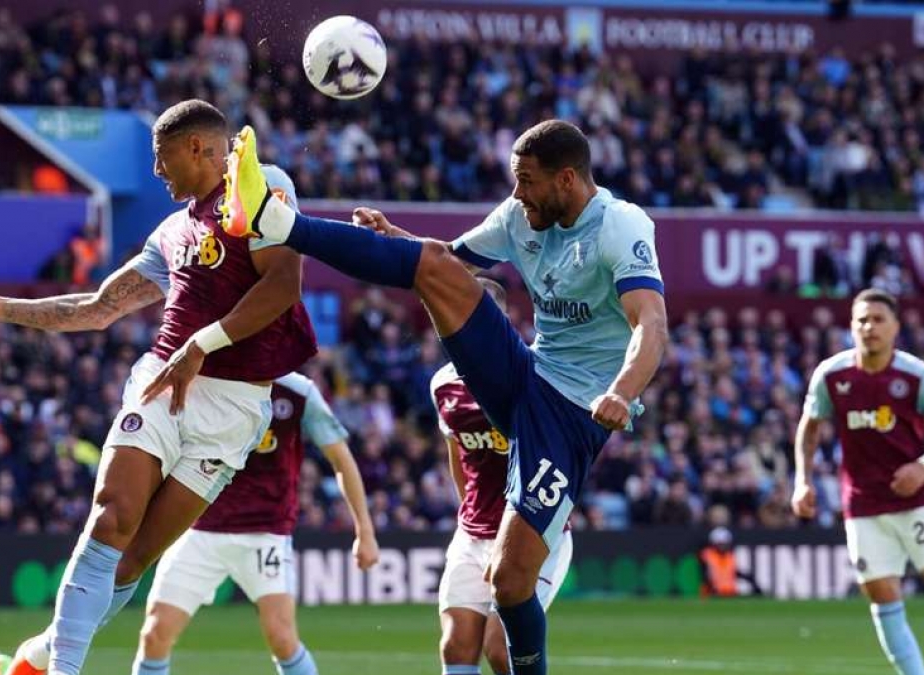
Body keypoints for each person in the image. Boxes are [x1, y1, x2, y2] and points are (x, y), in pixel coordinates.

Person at [206, 119, 668, 675]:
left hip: (572, 414)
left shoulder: (620, 226)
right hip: (527, 374)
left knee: (511, 581)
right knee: (430, 267)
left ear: (566, 179)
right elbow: (446, 258)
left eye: (526, 180)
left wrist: (622, 392)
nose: (517, 193)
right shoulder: (519, 217)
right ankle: (275, 220)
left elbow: (652, 324)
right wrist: (393, 237)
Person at [0, 99, 316, 675]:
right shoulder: (171, 233)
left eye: (162, 158)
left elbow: (283, 285)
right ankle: (63, 670)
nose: (157, 173)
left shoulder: (262, 186)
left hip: (234, 408)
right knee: (110, 518)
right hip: (162, 386)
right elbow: (96, 307)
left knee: (131, 563)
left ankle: (31, 661)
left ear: (198, 149)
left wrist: (202, 345)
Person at [792, 288, 924, 675]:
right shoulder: (831, 376)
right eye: (861, 320)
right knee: (884, 604)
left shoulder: (916, 376)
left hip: (916, 502)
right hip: (863, 508)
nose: (869, 327)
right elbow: (809, 428)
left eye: (878, 320)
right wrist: (802, 480)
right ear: (851, 327)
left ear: (896, 327)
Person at [135, 371, 379, 675]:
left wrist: (364, 531)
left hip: (266, 533)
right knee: (155, 634)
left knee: (282, 639)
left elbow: (341, 459)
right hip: (199, 529)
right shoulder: (204, 380)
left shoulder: (298, 393)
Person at [431, 278, 572, 675]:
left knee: (499, 648)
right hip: (474, 530)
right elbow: (458, 455)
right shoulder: (442, 384)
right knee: (456, 646)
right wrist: (471, 514)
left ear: (499, 320)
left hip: (529, 531)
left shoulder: (533, 374)